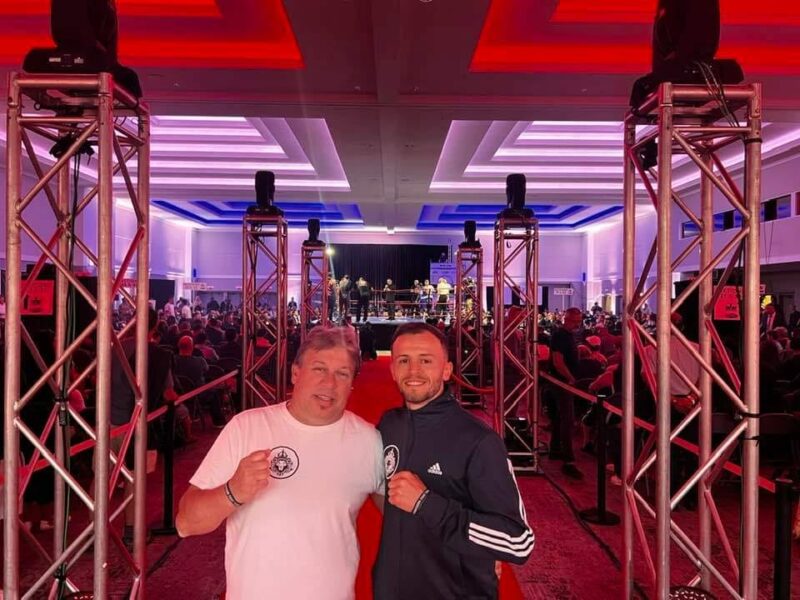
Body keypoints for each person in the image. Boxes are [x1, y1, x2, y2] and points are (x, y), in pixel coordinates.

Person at [176, 327, 384, 600]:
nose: (329, 383)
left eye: (342, 373)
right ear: (295, 373)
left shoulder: (369, 441)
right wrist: (232, 492)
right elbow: (186, 523)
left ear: (351, 382)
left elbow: (403, 521)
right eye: (319, 369)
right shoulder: (247, 427)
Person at [373, 323, 534, 599]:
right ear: (392, 369)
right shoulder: (388, 425)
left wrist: (427, 503)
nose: (413, 371)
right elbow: (386, 495)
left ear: (446, 370)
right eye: (403, 361)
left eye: (425, 360)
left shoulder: (478, 441)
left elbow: (518, 542)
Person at [549, 307, 584, 480]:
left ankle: (555, 449)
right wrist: (570, 378)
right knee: (567, 419)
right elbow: (558, 361)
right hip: (561, 382)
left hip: (563, 381)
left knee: (558, 418)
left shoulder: (567, 335)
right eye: (575, 321)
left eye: (579, 321)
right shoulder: (560, 335)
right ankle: (568, 459)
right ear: (567, 319)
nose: (577, 325)